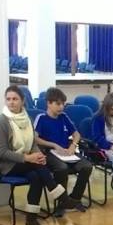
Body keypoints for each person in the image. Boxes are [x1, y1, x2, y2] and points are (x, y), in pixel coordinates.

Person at [0, 86, 77, 225]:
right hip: (2, 164)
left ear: (22, 101)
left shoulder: (27, 118)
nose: (11, 102)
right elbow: (2, 152)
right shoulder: (1, 121)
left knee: (37, 176)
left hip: (22, 161)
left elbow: (32, 143)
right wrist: (28, 157)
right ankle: (61, 196)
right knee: (38, 166)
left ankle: (31, 219)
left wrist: (39, 155)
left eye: (15, 99)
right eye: (8, 99)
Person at [33, 88, 91, 216]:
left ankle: (74, 199)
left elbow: (76, 134)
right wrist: (53, 145)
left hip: (67, 152)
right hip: (50, 152)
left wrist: (73, 145)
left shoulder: (64, 117)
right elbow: (35, 138)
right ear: (49, 103)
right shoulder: (41, 118)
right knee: (61, 168)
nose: (61, 107)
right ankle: (62, 203)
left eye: (63, 104)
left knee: (86, 166)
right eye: (58, 104)